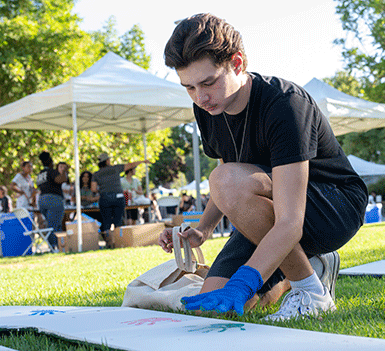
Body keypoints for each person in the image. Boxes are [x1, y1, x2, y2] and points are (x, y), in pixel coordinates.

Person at [159, 14, 368, 321]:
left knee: (228, 181)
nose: (201, 97)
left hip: (333, 206)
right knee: (217, 310)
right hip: (267, 211)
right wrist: (203, 229)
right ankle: (306, 268)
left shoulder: (285, 103)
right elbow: (227, 178)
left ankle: (309, 290)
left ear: (238, 63)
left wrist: (246, 280)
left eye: (208, 82)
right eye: (189, 87)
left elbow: (289, 220)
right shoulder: (207, 108)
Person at [92, 152, 148, 247]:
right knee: (118, 220)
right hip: (118, 197)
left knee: (106, 221)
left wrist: (102, 190)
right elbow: (130, 165)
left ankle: (109, 243)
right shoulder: (115, 168)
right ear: (107, 161)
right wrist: (142, 161)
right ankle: (118, 242)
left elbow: (93, 189)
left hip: (105, 197)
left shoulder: (96, 174)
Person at [36, 151, 68, 250]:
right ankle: (54, 246)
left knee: (51, 223)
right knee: (54, 225)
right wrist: (64, 172)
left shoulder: (40, 174)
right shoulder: (51, 171)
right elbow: (60, 180)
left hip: (42, 200)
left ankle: (57, 245)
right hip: (53, 200)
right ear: (50, 162)